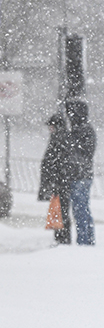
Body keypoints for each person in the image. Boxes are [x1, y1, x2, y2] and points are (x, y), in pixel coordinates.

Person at [38, 113, 72, 245]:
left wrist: (53, 179)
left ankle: (62, 238)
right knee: (59, 210)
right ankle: (61, 237)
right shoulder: (60, 137)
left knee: (60, 211)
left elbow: (54, 161)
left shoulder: (59, 138)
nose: (50, 129)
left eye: (51, 126)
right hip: (59, 180)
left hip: (59, 181)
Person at [66, 101, 96, 245]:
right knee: (83, 208)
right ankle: (87, 238)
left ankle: (84, 239)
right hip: (84, 174)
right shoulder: (86, 130)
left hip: (79, 175)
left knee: (80, 209)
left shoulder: (80, 131)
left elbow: (82, 153)